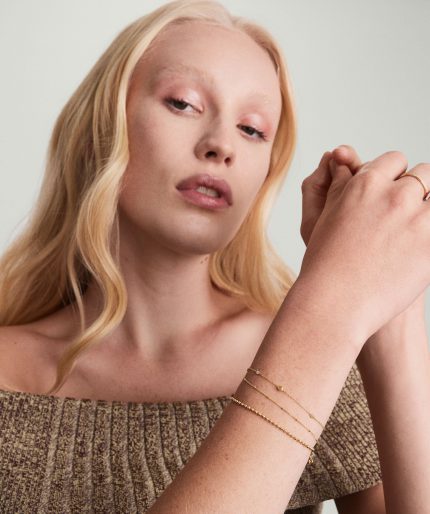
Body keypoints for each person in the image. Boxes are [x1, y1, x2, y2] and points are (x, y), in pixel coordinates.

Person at [0, 0, 429, 512]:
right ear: (100, 128)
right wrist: (330, 306)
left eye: (252, 130)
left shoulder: (330, 356)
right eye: (182, 103)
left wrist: (392, 314)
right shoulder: (318, 338)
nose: (222, 144)